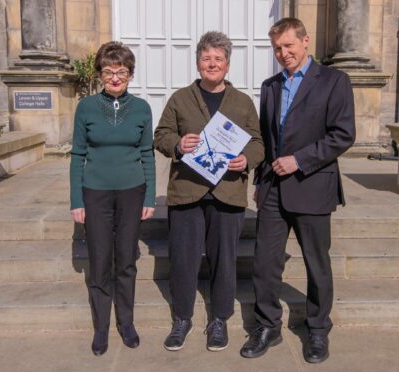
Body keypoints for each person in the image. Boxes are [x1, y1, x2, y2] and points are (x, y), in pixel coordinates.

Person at [239, 18, 355, 363]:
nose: (283, 53)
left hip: (313, 186)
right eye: (277, 48)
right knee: (264, 262)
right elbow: (267, 139)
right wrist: (260, 181)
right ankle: (267, 326)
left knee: (317, 264)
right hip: (273, 187)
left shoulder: (335, 81)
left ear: (305, 42)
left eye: (289, 45)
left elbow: (342, 135)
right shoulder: (270, 86)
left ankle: (318, 329)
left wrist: (300, 161)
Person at [154, 31, 264, 352]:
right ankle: (182, 318)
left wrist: (247, 160)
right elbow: (161, 135)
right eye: (206, 58)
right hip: (187, 191)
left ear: (227, 65)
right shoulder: (179, 99)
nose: (212, 64)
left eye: (218, 59)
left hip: (227, 193)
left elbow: (258, 143)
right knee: (184, 258)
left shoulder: (242, 103)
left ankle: (219, 320)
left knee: (225, 260)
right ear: (198, 63)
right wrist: (176, 143)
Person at [69, 41, 156, 356]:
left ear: (130, 74)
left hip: (132, 192)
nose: (115, 78)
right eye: (109, 72)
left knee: (127, 261)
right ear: (100, 74)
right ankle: (102, 328)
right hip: (96, 194)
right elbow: (78, 154)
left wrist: (149, 196)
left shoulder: (143, 108)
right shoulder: (87, 108)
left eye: (121, 72)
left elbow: (147, 153)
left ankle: (127, 323)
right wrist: (76, 200)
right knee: (101, 260)